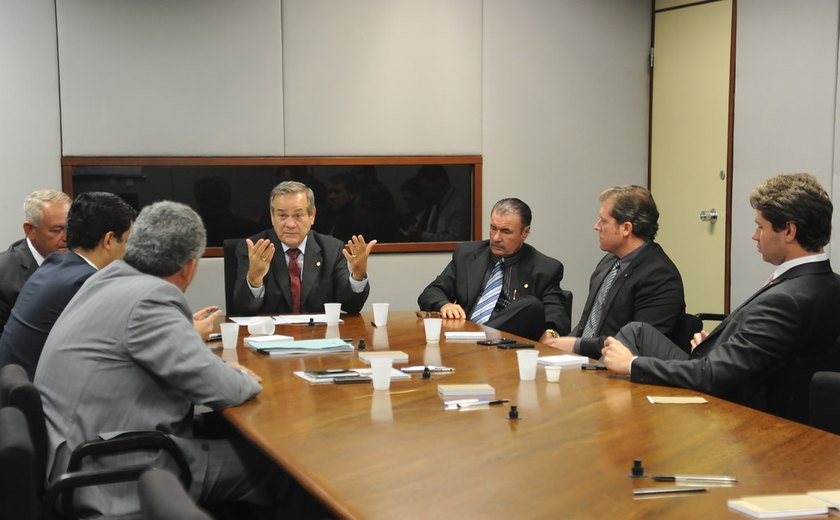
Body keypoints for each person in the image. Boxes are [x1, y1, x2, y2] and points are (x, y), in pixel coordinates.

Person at [35, 201, 299, 517]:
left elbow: (190, 364)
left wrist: (217, 369)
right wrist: (244, 377)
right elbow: (221, 388)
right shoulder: (152, 298)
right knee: (290, 467)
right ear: (189, 267)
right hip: (110, 472)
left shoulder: (108, 278)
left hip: (76, 454)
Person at [602, 173, 840, 422]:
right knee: (636, 332)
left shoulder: (786, 299)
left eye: (760, 226)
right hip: (767, 397)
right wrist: (719, 344)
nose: (755, 236)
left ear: (789, 231)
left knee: (625, 377)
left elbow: (717, 376)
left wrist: (633, 364)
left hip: (737, 414)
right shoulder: (828, 284)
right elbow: (767, 353)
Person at [0, 192, 137, 380]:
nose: (127, 251)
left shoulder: (54, 263)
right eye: (127, 241)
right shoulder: (86, 283)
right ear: (109, 240)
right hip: (41, 396)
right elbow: (125, 342)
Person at [541, 185, 685, 357]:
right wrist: (557, 345)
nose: (596, 226)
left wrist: (576, 345)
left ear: (626, 228)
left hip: (619, 372)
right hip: (586, 362)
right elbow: (587, 325)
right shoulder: (610, 261)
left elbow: (638, 344)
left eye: (603, 221)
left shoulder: (660, 276)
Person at [418, 198, 570, 340]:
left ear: (525, 232)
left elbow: (557, 315)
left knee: (531, 305)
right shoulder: (467, 255)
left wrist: (551, 334)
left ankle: (474, 338)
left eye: (506, 231)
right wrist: (445, 304)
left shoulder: (544, 268)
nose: (496, 237)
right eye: (493, 228)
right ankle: (473, 339)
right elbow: (431, 293)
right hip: (461, 332)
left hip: (507, 344)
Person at [233, 180, 375, 315]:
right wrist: (255, 279)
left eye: (298, 215)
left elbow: (351, 306)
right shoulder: (255, 248)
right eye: (282, 215)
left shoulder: (332, 249)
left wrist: (357, 276)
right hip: (269, 336)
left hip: (318, 335)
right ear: (272, 216)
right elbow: (244, 308)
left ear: (312, 215)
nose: (290, 224)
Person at [0, 189, 71, 336]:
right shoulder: (4, 273)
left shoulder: (82, 261)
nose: (67, 237)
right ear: (30, 230)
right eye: (57, 230)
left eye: (70, 228)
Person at [406, 165, 471, 242]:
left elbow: (455, 241)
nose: (424, 194)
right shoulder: (436, 203)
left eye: (426, 188)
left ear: (441, 184)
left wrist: (422, 235)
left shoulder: (460, 205)